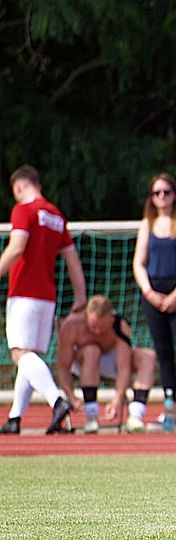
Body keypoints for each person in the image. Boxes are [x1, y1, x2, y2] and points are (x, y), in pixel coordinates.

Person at [0, 164, 87, 435]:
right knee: (30, 357)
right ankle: (15, 418)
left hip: (24, 292)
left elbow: (16, 248)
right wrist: (81, 295)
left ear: (19, 187)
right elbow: (72, 258)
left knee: (20, 353)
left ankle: (57, 401)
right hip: (47, 297)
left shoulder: (23, 210)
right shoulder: (56, 215)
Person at [132, 172, 176, 425]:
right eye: (157, 193)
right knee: (163, 352)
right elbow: (139, 262)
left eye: (166, 192)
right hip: (154, 291)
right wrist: (149, 292)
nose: (162, 197)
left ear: (174, 195)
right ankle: (170, 405)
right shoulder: (147, 224)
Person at [55, 295, 156, 433]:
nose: (97, 332)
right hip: (82, 364)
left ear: (110, 318)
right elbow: (63, 368)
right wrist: (71, 396)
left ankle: (136, 415)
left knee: (148, 356)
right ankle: (91, 414)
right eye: (93, 327)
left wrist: (117, 399)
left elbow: (123, 367)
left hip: (111, 362)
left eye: (102, 328)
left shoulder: (119, 325)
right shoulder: (71, 325)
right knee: (92, 351)